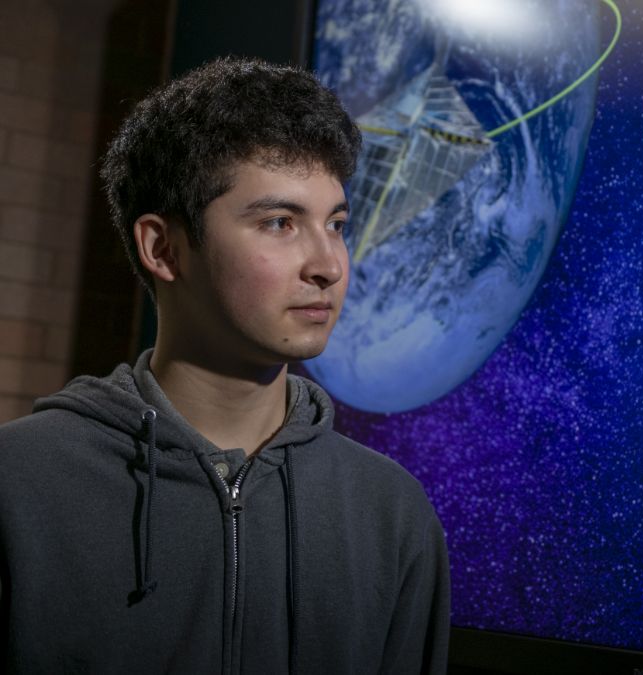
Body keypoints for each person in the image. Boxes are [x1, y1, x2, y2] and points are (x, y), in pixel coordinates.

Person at [0, 57, 449, 673]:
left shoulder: (392, 514)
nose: (329, 265)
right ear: (163, 248)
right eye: (279, 222)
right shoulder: (17, 486)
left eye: (337, 224)